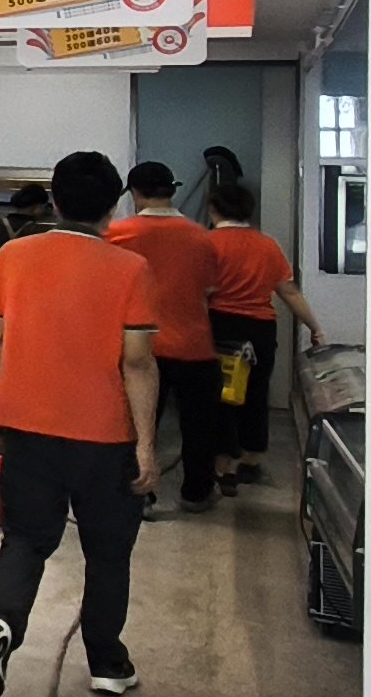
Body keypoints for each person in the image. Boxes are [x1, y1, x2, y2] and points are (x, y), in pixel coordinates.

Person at [0, 149, 159, 697]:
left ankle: (3, 623)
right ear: (114, 206)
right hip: (104, 436)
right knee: (107, 553)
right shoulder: (131, 269)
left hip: (26, 425)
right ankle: (107, 662)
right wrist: (147, 445)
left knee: (25, 539)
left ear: (53, 200)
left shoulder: (13, 255)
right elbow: (138, 363)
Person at [104, 160, 223, 511]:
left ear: (134, 194)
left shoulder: (117, 235)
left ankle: (139, 495)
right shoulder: (202, 238)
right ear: (172, 191)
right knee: (199, 428)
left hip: (137, 346)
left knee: (137, 426)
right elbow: (210, 289)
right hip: (193, 345)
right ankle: (196, 494)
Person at [205, 182, 320, 491]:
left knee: (222, 396)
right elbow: (288, 291)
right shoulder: (267, 245)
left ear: (213, 209)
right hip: (260, 330)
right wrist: (314, 326)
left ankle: (224, 467)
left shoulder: (208, 243)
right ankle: (252, 460)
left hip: (220, 327)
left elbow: (202, 290)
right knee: (255, 393)